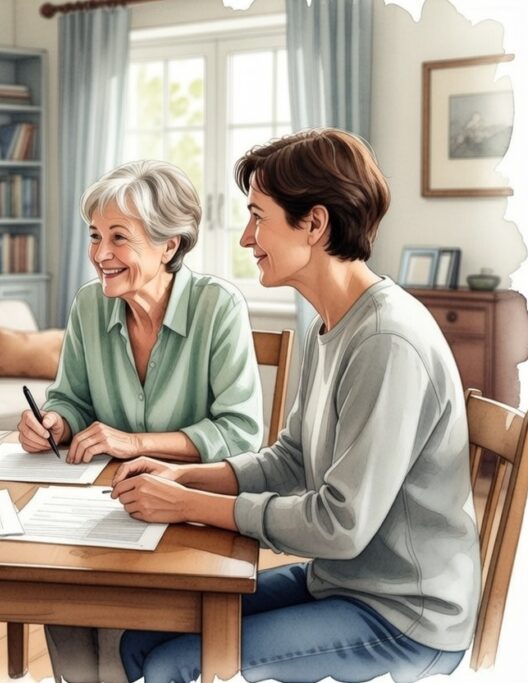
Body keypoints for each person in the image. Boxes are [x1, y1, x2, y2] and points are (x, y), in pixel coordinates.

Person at [115, 128, 479, 683]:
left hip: (405, 615)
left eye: (258, 217)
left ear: (314, 223)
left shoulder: (387, 340)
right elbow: (292, 460)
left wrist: (186, 505)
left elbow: (340, 525)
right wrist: (187, 477)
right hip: (344, 583)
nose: (245, 238)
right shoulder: (329, 322)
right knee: (139, 636)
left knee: (174, 664)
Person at [17, 160, 264, 683]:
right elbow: (71, 399)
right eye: (94, 236)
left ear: (168, 245)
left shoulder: (218, 307)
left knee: (116, 641)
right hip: (99, 506)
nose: (99, 255)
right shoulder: (88, 305)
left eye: (119, 238)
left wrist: (134, 442)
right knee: (56, 591)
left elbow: (241, 433)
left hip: (190, 515)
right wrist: (55, 423)